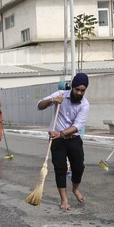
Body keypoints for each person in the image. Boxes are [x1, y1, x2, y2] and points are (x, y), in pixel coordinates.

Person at [37, 72, 90, 211]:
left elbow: (77, 126)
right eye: (77, 89)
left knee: (79, 167)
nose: (79, 92)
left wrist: (61, 133)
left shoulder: (84, 104)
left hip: (73, 139)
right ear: (72, 87)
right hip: (57, 140)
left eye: (82, 90)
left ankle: (75, 188)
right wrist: (52, 100)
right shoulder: (60, 94)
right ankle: (64, 200)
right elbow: (39, 105)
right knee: (60, 169)